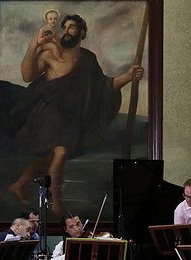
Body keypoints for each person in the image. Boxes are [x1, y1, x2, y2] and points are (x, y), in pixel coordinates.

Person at [8, 14, 145, 214]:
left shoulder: (88, 59)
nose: (67, 31)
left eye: (72, 27)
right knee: (61, 152)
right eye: (65, 27)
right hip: (49, 113)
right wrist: (33, 46)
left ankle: (19, 185)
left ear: (82, 33)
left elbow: (104, 86)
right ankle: (56, 201)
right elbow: (27, 75)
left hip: (71, 119)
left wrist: (128, 76)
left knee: (52, 158)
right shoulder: (50, 54)